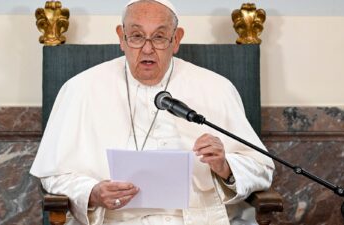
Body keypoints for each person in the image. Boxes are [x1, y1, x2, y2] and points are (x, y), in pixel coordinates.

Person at [30, 0, 275, 224]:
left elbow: (261, 169)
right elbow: (53, 175)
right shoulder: (80, 88)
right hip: (113, 220)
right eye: (136, 36)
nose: (147, 49)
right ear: (121, 37)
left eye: (159, 37)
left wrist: (225, 166)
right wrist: (92, 192)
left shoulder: (216, 87)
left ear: (176, 39)